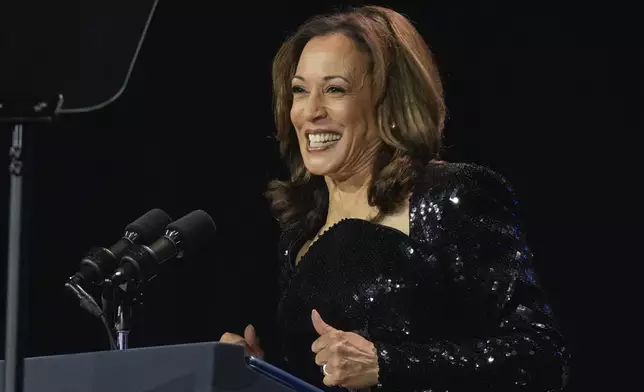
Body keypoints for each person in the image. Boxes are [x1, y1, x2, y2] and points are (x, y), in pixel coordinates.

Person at [220, 5, 569, 391]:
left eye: (335, 89)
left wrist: (386, 364)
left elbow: (540, 355)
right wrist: (260, 373)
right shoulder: (299, 235)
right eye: (299, 91)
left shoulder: (451, 197)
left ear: (388, 101)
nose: (310, 111)